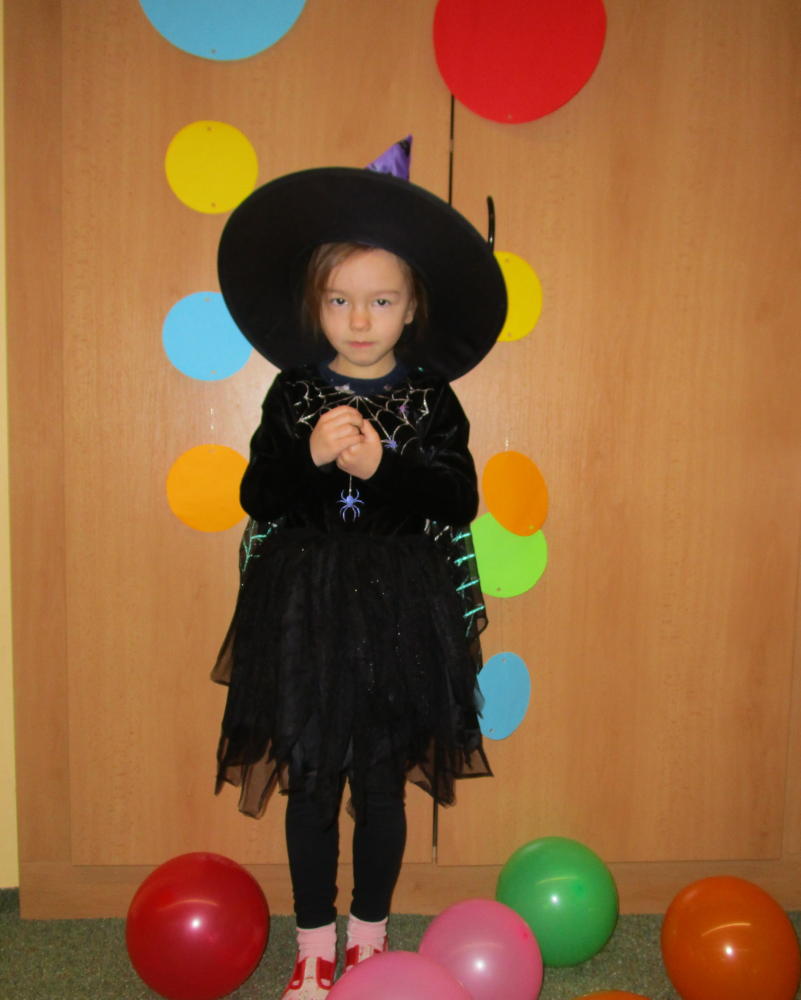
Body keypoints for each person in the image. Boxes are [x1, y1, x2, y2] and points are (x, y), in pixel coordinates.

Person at [209, 144, 508, 1000]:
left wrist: (384, 469)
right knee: (310, 782)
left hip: (400, 614)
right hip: (304, 610)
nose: (360, 319)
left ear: (411, 308)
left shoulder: (431, 399)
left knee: (381, 784)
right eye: (340, 300)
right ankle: (312, 944)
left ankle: (369, 941)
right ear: (316, 305)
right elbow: (259, 492)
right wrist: (308, 454)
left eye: (380, 300)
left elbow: (457, 498)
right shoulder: (293, 392)